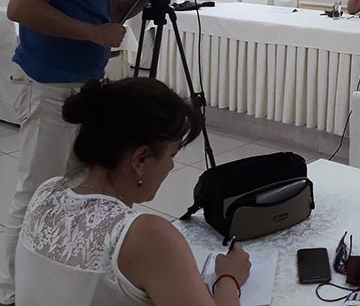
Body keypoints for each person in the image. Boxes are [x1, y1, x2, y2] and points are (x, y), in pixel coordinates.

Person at [0, 0, 161, 305]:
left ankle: (54, 273)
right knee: (37, 191)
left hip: (80, 86)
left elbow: (108, 14)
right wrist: (94, 34)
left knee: (72, 185)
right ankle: (12, 291)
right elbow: (21, 8)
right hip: (52, 85)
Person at [14, 77, 251, 306]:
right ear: (141, 160)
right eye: (171, 155)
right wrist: (229, 278)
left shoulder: (46, 193)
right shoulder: (149, 236)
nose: (171, 166)